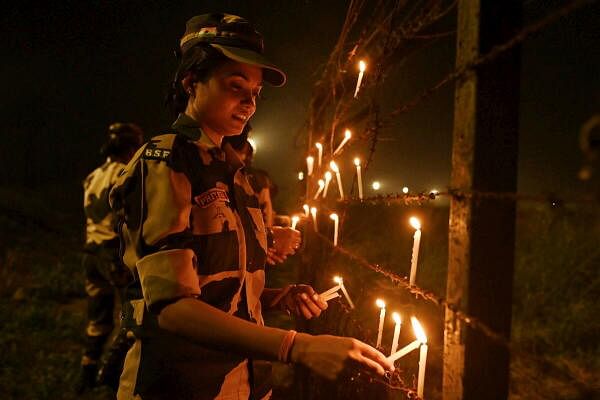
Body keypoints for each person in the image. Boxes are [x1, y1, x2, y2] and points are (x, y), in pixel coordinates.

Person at [109, 13, 393, 400]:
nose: (248, 101)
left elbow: (219, 282)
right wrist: (298, 346)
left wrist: (277, 296)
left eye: (256, 92)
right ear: (192, 82)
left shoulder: (235, 172)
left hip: (248, 383)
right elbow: (173, 309)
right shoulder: (166, 161)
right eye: (235, 86)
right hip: (181, 385)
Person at [78, 122, 144, 392]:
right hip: (112, 257)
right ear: (132, 147)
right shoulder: (125, 173)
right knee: (133, 313)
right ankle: (111, 375)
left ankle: (86, 375)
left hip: (90, 254)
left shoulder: (93, 175)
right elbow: (127, 216)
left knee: (98, 319)